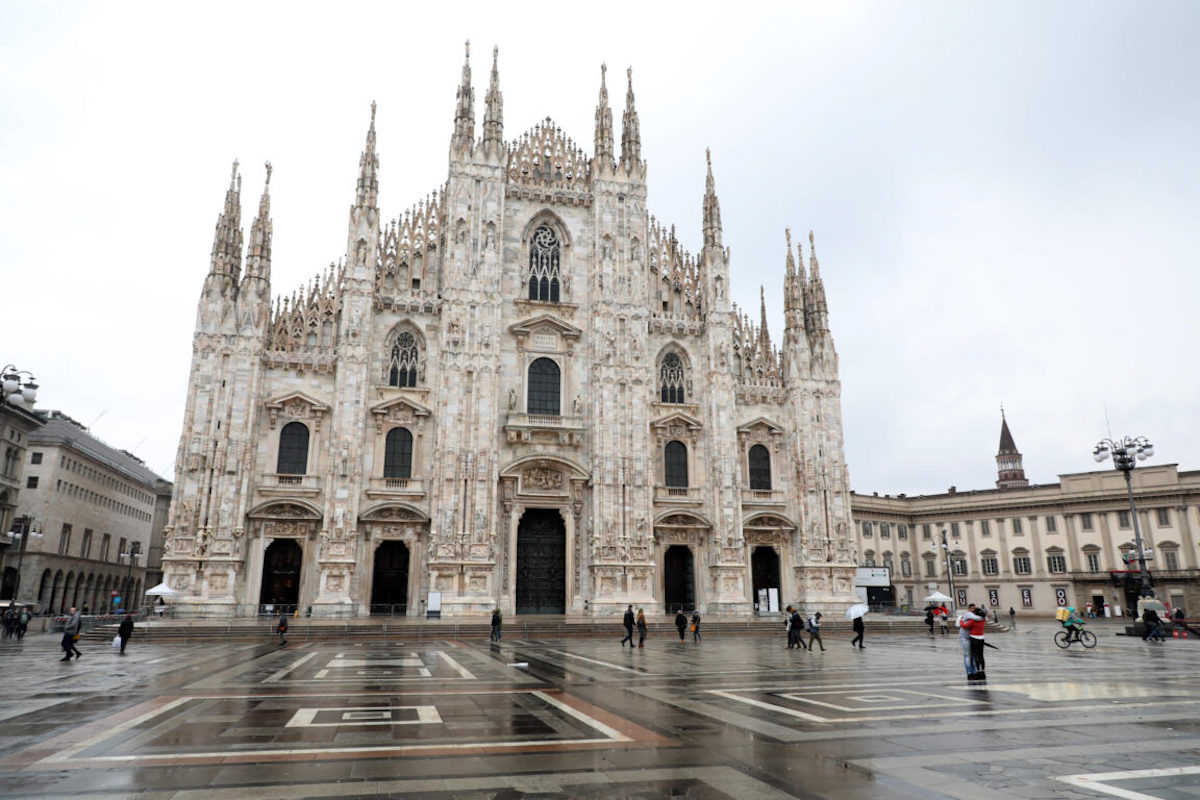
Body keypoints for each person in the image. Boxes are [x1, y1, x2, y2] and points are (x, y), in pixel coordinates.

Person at [964, 602, 987, 681]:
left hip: (974, 638)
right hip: (981, 638)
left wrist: (960, 620)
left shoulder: (973, 621)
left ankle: (978, 671)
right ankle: (983, 672)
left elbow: (964, 625)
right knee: (981, 655)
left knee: (975, 655)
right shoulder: (983, 620)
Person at [957, 604, 980, 678]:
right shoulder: (968, 614)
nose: (974, 610)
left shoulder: (974, 615)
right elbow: (977, 618)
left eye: (975, 608)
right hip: (964, 637)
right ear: (969, 609)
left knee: (972, 655)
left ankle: (973, 671)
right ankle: (969, 672)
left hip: (971, 637)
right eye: (972, 608)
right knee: (967, 654)